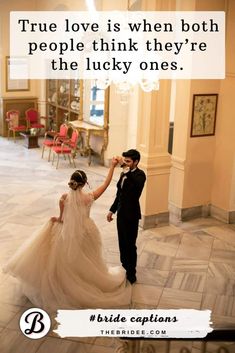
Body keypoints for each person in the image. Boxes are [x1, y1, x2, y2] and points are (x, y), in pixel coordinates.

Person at [3, 158, 131, 311]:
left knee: (67, 260)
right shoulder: (89, 197)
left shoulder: (64, 198)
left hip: (68, 234)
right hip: (87, 232)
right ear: (84, 184)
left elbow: (62, 219)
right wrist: (111, 167)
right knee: (89, 261)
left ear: (72, 183)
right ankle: (88, 281)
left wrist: (55, 220)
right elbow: (105, 184)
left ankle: (65, 285)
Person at [107, 149, 146, 284]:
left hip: (132, 215)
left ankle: (131, 273)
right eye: (125, 161)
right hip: (121, 214)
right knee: (122, 243)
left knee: (130, 245)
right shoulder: (124, 174)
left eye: (128, 161)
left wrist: (126, 170)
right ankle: (124, 268)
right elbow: (120, 194)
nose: (126, 164)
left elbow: (135, 188)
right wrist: (112, 210)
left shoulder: (140, 175)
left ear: (136, 162)